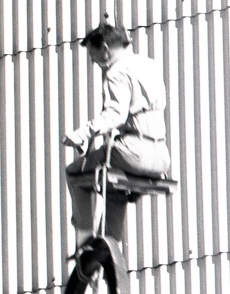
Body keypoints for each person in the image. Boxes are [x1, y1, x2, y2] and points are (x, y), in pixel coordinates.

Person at [63, 22, 171, 233]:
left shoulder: (117, 71)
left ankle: (84, 238)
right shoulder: (149, 64)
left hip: (134, 153)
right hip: (160, 157)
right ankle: (111, 244)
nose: (94, 62)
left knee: (74, 173)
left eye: (93, 55)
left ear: (104, 48)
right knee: (112, 189)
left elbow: (115, 115)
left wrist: (80, 134)